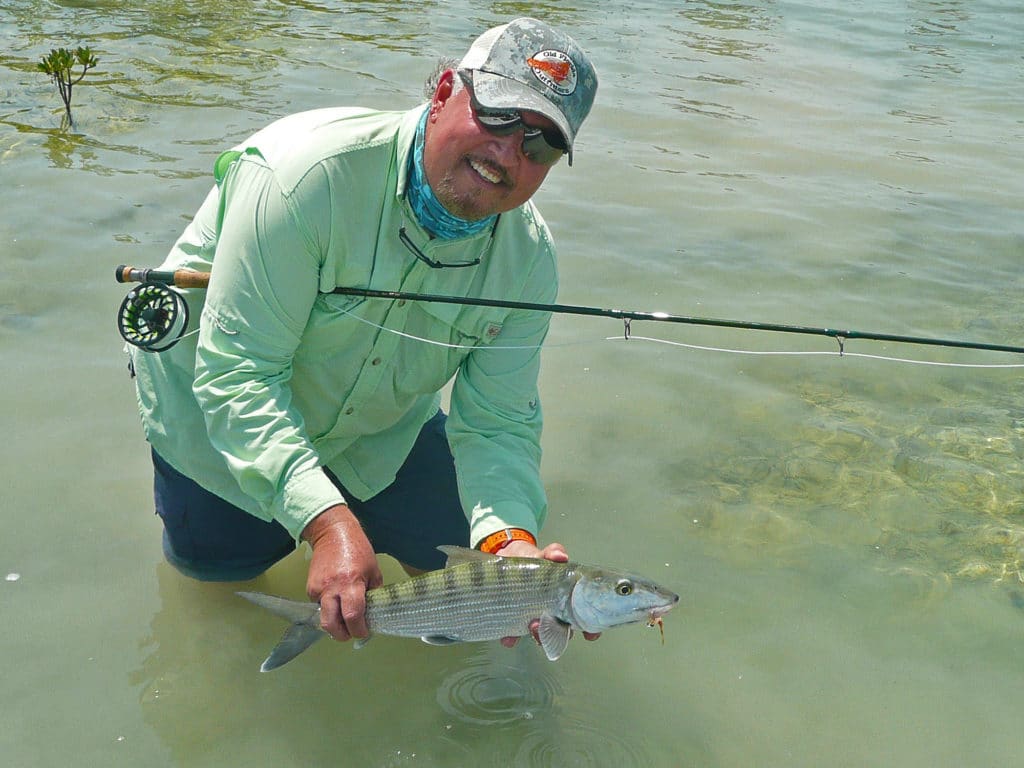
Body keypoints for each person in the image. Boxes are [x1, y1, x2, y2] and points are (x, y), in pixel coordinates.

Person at [128, 18, 599, 646]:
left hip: (380, 431)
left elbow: (498, 423)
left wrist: (511, 542)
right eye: (499, 117)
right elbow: (237, 373)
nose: (509, 152)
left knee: (462, 554)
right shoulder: (304, 177)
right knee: (214, 580)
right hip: (217, 422)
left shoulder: (528, 259)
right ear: (442, 93)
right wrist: (326, 525)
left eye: (540, 143)